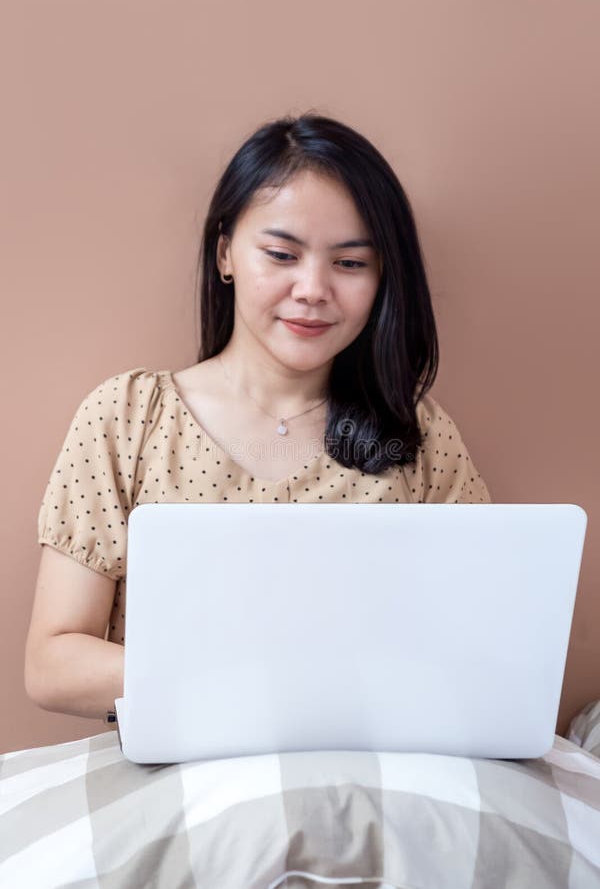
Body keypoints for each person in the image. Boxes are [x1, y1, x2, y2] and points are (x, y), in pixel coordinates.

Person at [24, 112, 492, 728]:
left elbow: (484, 645)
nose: (313, 288)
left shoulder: (420, 436)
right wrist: (258, 678)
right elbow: (53, 663)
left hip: (371, 777)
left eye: (351, 263)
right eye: (281, 254)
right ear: (225, 253)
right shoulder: (127, 418)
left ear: (383, 279)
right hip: (183, 782)